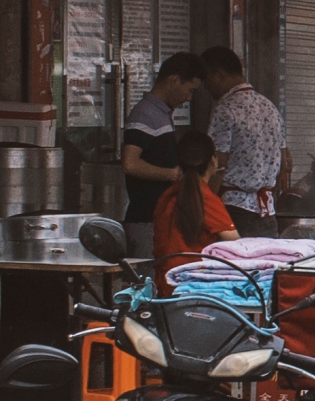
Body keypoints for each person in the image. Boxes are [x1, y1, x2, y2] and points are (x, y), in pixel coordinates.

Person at [202, 43, 286, 235]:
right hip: (268, 214)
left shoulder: (225, 110)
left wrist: (204, 207)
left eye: (207, 82)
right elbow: (285, 162)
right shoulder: (270, 108)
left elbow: (217, 166)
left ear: (219, 75)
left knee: (231, 265)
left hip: (233, 211)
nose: (207, 89)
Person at [118, 51, 203, 232]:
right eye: (190, 90)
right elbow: (130, 164)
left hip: (161, 217)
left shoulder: (161, 113)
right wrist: (171, 174)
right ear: (173, 80)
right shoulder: (145, 114)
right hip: (146, 219)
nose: (189, 98)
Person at [145, 133, 236, 271]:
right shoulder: (206, 198)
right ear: (213, 161)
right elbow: (236, 243)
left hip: (164, 282)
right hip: (196, 282)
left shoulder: (166, 196)